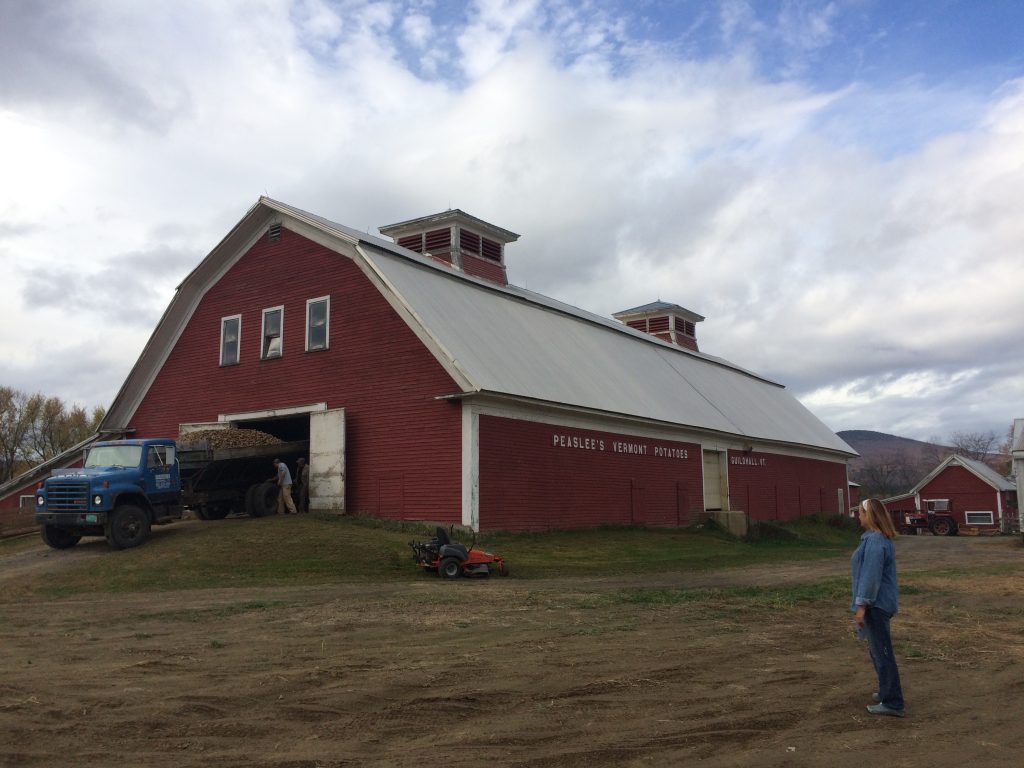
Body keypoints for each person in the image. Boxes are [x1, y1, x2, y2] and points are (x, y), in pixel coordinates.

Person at [851, 497, 905, 717]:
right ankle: (886, 692)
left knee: (882, 653)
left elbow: (870, 577)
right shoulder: (875, 539)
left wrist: (861, 606)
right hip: (878, 603)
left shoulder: (875, 541)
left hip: (876, 605)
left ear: (870, 516)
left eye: (861, 512)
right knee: (877, 651)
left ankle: (893, 702)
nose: (858, 516)